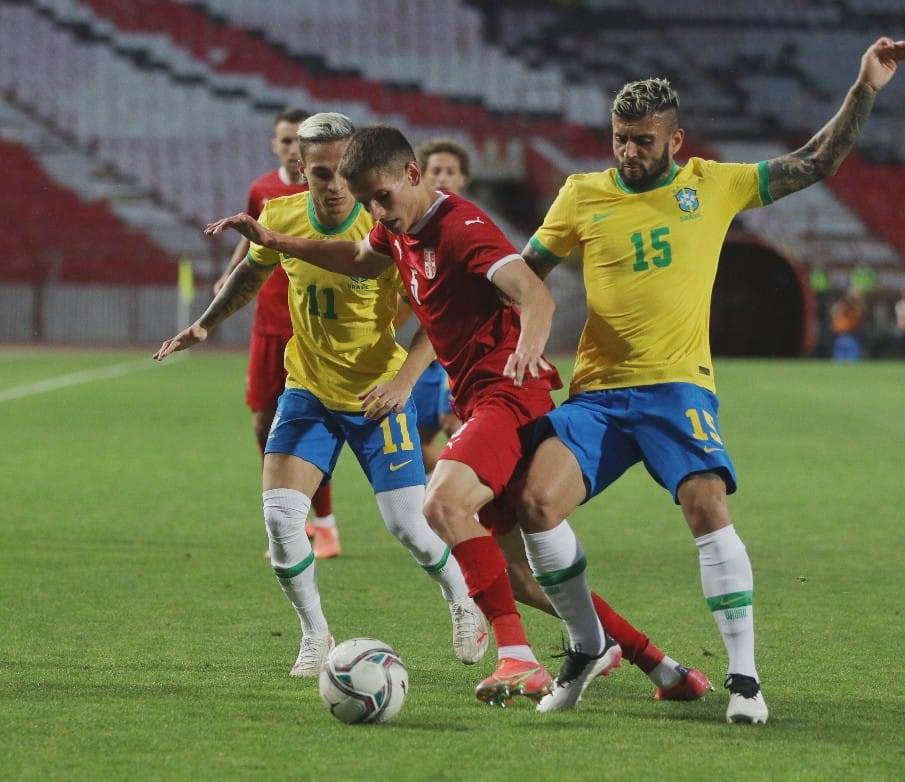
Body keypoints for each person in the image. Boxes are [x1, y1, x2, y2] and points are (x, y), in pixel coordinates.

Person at [204, 125, 712, 708]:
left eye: (383, 197)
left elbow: (535, 294)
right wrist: (275, 240)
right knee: (518, 576)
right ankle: (663, 668)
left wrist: (528, 347)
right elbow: (357, 259)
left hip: (508, 393)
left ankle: (517, 658)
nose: (377, 212)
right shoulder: (396, 229)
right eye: (368, 202)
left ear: (412, 175)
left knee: (441, 504)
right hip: (477, 398)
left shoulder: (461, 228)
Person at [517, 38, 905, 723]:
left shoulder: (712, 183)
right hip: (598, 394)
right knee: (534, 505)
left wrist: (864, 89)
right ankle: (586, 644)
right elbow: (524, 275)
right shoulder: (581, 194)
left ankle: (745, 680)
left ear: (675, 139)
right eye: (619, 138)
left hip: (676, 386)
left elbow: (815, 161)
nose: (627, 152)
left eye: (642, 141)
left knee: (706, 505)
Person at [154, 113, 487, 677]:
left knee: (408, 526)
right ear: (300, 169)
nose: (334, 186)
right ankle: (314, 635)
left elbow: (438, 316)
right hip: (307, 389)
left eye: (342, 174)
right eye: (320, 174)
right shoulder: (279, 215)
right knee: (281, 519)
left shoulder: (386, 224)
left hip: (377, 393)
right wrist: (206, 325)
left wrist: (404, 381)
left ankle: (462, 599)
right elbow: (252, 273)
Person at [213, 107, 342, 559]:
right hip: (269, 321)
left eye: (296, 140)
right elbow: (252, 238)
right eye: (284, 140)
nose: (290, 148)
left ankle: (325, 525)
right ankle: (296, 520)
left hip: (314, 326)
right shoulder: (262, 190)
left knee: (316, 425)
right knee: (263, 420)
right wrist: (229, 276)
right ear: (276, 144)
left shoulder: (330, 192)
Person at [407, 139, 470, 472]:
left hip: (462, 354)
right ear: (421, 176)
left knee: (455, 425)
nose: (443, 177)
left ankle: (481, 497)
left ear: (463, 179)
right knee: (415, 437)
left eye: (450, 171)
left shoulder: (472, 228)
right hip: (428, 354)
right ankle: (439, 496)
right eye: (436, 170)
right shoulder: (412, 230)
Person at [831, 289, 864, 361]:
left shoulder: (856, 308)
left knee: (852, 358)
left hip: (851, 335)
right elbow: (835, 314)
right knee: (840, 358)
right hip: (841, 335)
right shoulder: (842, 305)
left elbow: (859, 315)